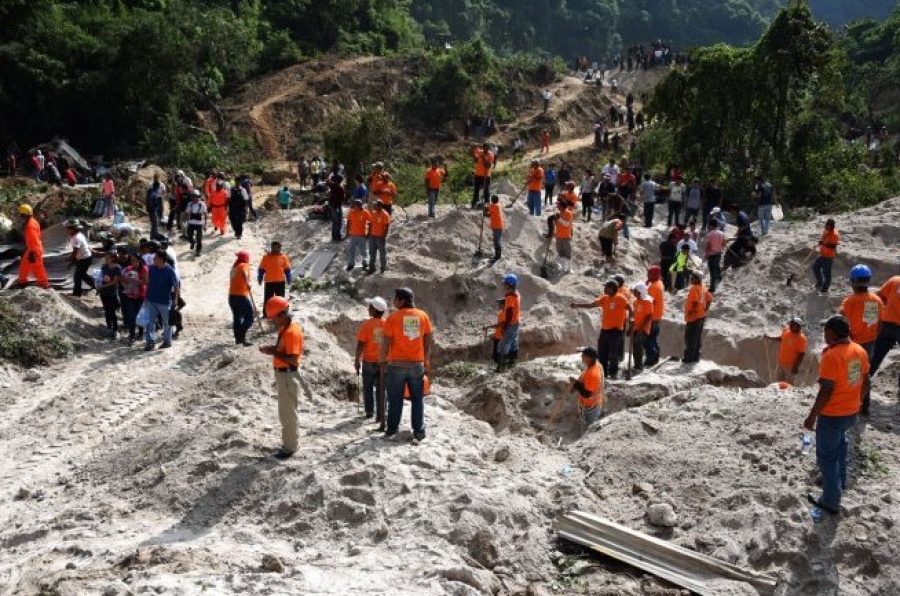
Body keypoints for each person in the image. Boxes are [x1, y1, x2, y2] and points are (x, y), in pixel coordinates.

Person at [804, 315, 869, 516]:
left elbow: (826, 390)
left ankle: (831, 501)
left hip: (832, 415)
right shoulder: (859, 350)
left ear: (832, 333)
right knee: (841, 445)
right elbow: (866, 381)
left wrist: (812, 416)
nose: (824, 333)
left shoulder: (832, 356)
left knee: (826, 457)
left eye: (826, 330)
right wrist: (858, 402)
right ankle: (840, 481)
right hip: (851, 412)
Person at [381, 287, 433, 442]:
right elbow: (428, 339)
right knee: (417, 399)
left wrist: (382, 361)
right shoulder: (423, 316)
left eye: (395, 299)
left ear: (402, 301)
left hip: (396, 365)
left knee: (395, 399)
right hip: (416, 365)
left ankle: (392, 430)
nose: (393, 301)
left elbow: (385, 342)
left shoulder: (392, 318)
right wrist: (425, 358)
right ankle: (419, 432)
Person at [259, 296, 303, 459]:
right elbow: (284, 351)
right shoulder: (286, 328)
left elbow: (292, 359)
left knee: (287, 413)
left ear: (282, 315)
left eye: (274, 318)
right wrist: (273, 349)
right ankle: (291, 442)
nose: (273, 321)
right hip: (284, 375)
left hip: (288, 375)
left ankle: (290, 447)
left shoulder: (291, 332)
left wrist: (273, 352)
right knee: (287, 411)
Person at [840, 264, 883, 415]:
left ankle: (850, 406)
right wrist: (873, 336)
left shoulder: (850, 301)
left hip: (853, 344)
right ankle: (864, 407)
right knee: (865, 373)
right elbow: (880, 323)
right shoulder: (876, 300)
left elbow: (841, 320)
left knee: (851, 375)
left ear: (853, 281)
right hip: (869, 344)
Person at [571, 280, 632, 379]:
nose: (604, 289)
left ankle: (613, 373)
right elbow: (591, 305)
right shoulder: (605, 298)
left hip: (616, 331)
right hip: (605, 330)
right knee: (602, 353)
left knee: (613, 354)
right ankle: (603, 373)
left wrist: (632, 319)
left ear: (611, 289)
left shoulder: (620, 298)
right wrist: (577, 305)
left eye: (606, 287)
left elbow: (630, 307)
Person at [355, 297, 388, 426]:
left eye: (370, 307)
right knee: (381, 389)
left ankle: (369, 412)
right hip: (383, 362)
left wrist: (357, 359)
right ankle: (381, 414)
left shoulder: (367, 324)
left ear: (374, 310)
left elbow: (361, 344)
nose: (368, 309)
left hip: (368, 361)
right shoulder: (387, 324)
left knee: (368, 388)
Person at [869, 270, 900, 397]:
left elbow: (879, 297)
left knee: (875, 357)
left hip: (886, 326)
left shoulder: (895, 280)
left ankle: (861, 388)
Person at [143, 251, 180, 351]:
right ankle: (150, 342)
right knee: (149, 322)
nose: (153, 260)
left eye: (155, 258)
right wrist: (146, 296)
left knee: (166, 323)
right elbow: (147, 282)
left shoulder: (170, 271)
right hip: (151, 300)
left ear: (161, 259)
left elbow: (176, 286)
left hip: (164, 302)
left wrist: (176, 299)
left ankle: (167, 342)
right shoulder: (151, 269)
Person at [15, 204, 50, 289]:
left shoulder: (30, 225)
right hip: (32, 248)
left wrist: (32, 253)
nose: (20, 216)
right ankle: (22, 281)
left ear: (24, 214)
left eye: (21, 214)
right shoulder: (33, 221)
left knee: (37, 267)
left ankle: (43, 284)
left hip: (34, 249)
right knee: (24, 265)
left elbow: (33, 239)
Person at [569, 347, 605, 428]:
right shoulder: (594, 365)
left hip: (591, 406)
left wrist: (576, 384)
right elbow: (584, 379)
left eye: (583, 355)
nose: (581, 356)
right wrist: (576, 385)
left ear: (589, 358)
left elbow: (586, 394)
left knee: (590, 427)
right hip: (593, 404)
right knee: (589, 426)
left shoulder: (593, 374)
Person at [765, 317, 807, 384]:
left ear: (798, 326)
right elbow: (781, 338)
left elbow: (801, 354)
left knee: (789, 385)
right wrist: (770, 338)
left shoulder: (801, 338)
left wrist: (796, 366)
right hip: (781, 363)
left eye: (793, 325)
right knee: (779, 383)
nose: (790, 326)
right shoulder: (786, 331)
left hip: (790, 366)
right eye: (791, 324)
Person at [683, 270, 713, 363]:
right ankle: (695, 357)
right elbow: (709, 299)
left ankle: (689, 358)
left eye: (692, 277)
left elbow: (695, 302)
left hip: (694, 318)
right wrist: (705, 310)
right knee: (697, 337)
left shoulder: (694, 289)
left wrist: (692, 313)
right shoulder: (703, 288)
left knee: (690, 338)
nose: (691, 278)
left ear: (697, 279)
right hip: (701, 317)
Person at [228, 250, 255, 346]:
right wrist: (247, 283)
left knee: (237, 317)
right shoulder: (244, 265)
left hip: (231, 297)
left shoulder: (234, 268)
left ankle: (238, 340)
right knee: (249, 317)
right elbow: (244, 272)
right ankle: (241, 335)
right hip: (241, 296)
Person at [121, 252, 148, 345]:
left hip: (140, 296)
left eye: (134, 260)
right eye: (131, 260)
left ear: (139, 260)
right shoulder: (128, 269)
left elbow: (145, 282)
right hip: (130, 295)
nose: (132, 262)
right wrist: (125, 284)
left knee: (139, 316)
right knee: (131, 316)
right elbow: (122, 280)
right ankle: (132, 335)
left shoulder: (144, 269)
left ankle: (140, 333)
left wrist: (134, 280)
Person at [66, 222, 96, 297]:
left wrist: (70, 259)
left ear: (73, 229)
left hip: (84, 259)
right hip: (85, 258)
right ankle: (95, 285)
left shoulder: (76, 238)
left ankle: (76, 294)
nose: (67, 230)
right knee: (82, 275)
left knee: (77, 276)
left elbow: (75, 251)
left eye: (69, 229)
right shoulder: (79, 235)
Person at [498, 274, 521, 371]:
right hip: (516, 322)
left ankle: (502, 366)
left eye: (505, 283)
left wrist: (505, 325)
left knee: (504, 344)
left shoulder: (510, 296)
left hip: (511, 323)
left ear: (509, 285)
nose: (503, 285)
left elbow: (509, 312)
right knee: (513, 343)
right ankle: (512, 363)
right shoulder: (516, 293)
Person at [97, 251, 122, 339]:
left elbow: (115, 281)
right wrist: (98, 285)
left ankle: (115, 330)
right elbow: (101, 277)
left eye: (108, 258)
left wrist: (103, 286)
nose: (106, 259)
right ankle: (108, 327)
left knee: (112, 311)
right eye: (105, 258)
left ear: (113, 258)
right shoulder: (104, 267)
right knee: (106, 311)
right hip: (103, 292)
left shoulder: (117, 268)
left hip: (112, 293)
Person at [631, 283, 654, 374]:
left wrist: (641, 328)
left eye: (635, 291)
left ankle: (639, 366)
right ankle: (636, 365)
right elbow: (634, 314)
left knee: (638, 344)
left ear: (640, 292)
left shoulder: (647, 302)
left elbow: (649, 316)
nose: (634, 292)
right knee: (635, 346)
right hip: (636, 327)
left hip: (643, 328)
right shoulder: (636, 302)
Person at [645, 266, 665, 367]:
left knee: (648, 339)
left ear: (654, 275)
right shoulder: (659, 283)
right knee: (653, 338)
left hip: (651, 316)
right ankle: (656, 357)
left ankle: (650, 359)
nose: (647, 275)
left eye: (649, 274)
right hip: (657, 315)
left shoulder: (653, 287)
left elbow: (649, 303)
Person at [812, 219, 839, 293]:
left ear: (832, 226)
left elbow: (833, 246)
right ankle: (820, 282)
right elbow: (823, 239)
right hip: (822, 255)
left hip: (828, 257)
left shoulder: (835, 235)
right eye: (826, 225)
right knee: (815, 267)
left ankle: (825, 288)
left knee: (826, 273)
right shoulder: (825, 231)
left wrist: (823, 243)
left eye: (828, 225)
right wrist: (821, 242)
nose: (826, 226)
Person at [345, 199, 371, 271]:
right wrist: (347, 232)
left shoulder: (365, 212)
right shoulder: (351, 212)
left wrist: (368, 233)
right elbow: (348, 221)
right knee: (351, 250)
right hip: (353, 234)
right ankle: (351, 264)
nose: (360, 206)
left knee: (363, 250)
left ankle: (365, 263)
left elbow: (370, 222)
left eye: (360, 205)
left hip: (362, 235)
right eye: (357, 205)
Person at [367, 200, 391, 274]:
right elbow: (370, 224)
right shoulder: (373, 213)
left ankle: (383, 268)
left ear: (380, 206)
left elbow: (386, 227)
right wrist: (368, 234)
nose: (374, 206)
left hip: (380, 237)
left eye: (376, 205)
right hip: (372, 236)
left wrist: (383, 237)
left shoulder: (385, 215)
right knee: (372, 252)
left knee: (382, 253)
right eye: (374, 205)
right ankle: (372, 267)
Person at [705, 218, 726, 293]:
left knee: (712, 271)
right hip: (719, 253)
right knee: (716, 266)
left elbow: (708, 246)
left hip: (711, 254)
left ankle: (712, 288)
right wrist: (720, 248)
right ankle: (719, 278)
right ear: (717, 225)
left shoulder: (710, 234)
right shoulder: (722, 233)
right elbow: (724, 243)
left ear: (711, 225)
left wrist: (706, 254)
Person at [471, 143, 495, 208]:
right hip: (477, 174)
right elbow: (476, 161)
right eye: (485, 148)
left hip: (486, 175)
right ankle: (474, 203)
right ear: (483, 148)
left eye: (487, 148)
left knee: (486, 190)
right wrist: (473, 154)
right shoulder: (480, 152)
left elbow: (488, 166)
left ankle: (487, 203)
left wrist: (483, 158)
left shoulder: (491, 155)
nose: (486, 149)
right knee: (476, 190)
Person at [553, 199, 574, 273]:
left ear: (562, 206)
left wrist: (559, 218)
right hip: (558, 236)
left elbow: (566, 224)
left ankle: (570, 268)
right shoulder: (558, 213)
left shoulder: (569, 213)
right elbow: (556, 225)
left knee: (568, 253)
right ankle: (563, 267)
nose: (557, 207)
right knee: (560, 252)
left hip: (566, 236)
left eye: (558, 205)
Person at [184, 190, 207, 256]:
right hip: (191, 222)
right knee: (189, 236)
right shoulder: (190, 204)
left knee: (199, 238)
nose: (194, 198)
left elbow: (205, 214)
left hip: (199, 223)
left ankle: (198, 250)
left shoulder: (202, 204)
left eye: (195, 196)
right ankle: (192, 242)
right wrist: (186, 221)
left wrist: (205, 224)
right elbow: (186, 213)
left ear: (198, 197)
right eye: (193, 196)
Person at [327, 174, 346, 242]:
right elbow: (343, 199)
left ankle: (334, 237)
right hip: (337, 206)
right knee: (338, 222)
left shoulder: (332, 185)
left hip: (332, 206)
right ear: (340, 181)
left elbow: (327, 181)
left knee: (335, 222)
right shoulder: (341, 188)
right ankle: (337, 237)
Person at [146, 175, 165, 240]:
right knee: (155, 223)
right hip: (153, 209)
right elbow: (150, 202)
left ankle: (155, 235)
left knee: (155, 223)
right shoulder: (153, 193)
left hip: (152, 209)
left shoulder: (152, 191)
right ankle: (152, 238)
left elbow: (148, 200)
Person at [486, 194, 504, 262]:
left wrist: (484, 207)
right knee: (496, 241)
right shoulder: (497, 205)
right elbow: (489, 214)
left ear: (492, 200)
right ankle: (497, 255)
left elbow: (486, 208)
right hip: (497, 226)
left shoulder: (494, 206)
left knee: (497, 241)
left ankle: (497, 256)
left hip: (497, 226)